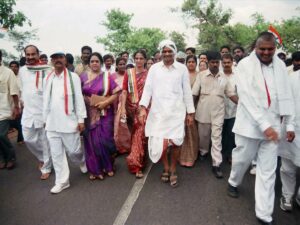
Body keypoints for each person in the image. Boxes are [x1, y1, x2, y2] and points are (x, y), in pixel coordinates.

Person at [227, 32, 294, 225]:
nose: (266, 52)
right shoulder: (244, 66)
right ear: (255, 47)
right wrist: (264, 125)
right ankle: (233, 181)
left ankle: (264, 215)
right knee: (242, 160)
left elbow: (287, 95)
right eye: (262, 49)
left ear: (275, 48)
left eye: (270, 49)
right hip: (249, 126)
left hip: (273, 127)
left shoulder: (280, 65)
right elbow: (246, 98)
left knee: (268, 171)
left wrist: (288, 124)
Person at [138, 40, 195, 187]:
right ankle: (166, 167)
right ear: (161, 53)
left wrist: (190, 113)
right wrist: (143, 107)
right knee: (160, 142)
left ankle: (174, 168)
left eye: (170, 51)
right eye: (164, 51)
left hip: (176, 113)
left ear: (175, 52)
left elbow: (187, 91)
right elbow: (148, 89)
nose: (167, 54)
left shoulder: (182, 69)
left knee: (176, 142)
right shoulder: (154, 69)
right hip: (158, 113)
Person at [44, 51, 87, 194]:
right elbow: (45, 101)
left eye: (60, 57)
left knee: (74, 151)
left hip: (69, 121)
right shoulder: (48, 77)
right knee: (56, 154)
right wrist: (45, 119)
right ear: (51, 61)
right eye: (54, 58)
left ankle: (81, 160)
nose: (57, 60)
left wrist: (81, 119)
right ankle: (62, 182)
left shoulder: (73, 77)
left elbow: (79, 99)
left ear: (65, 60)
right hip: (52, 123)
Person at [192, 51, 238, 178]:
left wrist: (242, 104)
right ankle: (203, 151)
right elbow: (194, 94)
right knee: (204, 136)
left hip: (218, 112)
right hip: (203, 112)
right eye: (212, 62)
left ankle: (216, 164)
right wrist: (190, 111)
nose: (215, 64)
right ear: (208, 62)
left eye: (217, 62)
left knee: (216, 138)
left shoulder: (224, 77)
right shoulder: (201, 76)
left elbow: (231, 94)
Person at [81, 52, 120, 180]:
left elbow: (116, 93)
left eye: (97, 61)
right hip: (88, 112)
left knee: (104, 140)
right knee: (91, 141)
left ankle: (108, 165)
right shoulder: (83, 77)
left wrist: (105, 103)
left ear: (101, 63)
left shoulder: (107, 77)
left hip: (104, 112)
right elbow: (78, 94)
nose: (94, 63)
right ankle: (95, 169)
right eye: (92, 61)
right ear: (89, 63)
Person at [19, 45, 52, 180]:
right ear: (25, 55)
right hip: (28, 112)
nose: (31, 57)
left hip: (43, 112)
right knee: (28, 138)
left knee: (45, 141)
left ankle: (47, 166)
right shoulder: (22, 70)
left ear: (38, 54)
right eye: (28, 55)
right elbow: (22, 89)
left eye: (33, 54)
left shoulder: (48, 70)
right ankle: (42, 157)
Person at [120, 50, 148, 178]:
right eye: (136, 58)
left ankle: (136, 164)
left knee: (139, 134)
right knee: (135, 134)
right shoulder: (128, 73)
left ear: (145, 60)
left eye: (141, 58)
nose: (138, 61)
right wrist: (123, 109)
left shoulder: (149, 74)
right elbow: (124, 92)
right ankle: (142, 157)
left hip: (143, 108)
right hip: (130, 108)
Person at [278, 68, 300, 212]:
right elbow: (285, 104)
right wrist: (289, 125)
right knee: (288, 166)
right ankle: (287, 196)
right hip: (293, 129)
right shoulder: (292, 78)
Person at [0, 50, 20, 169]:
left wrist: (16, 107)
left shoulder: (8, 73)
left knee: (1, 135)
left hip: (4, 110)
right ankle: (2, 158)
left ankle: (11, 156)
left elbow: (14, 92)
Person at [179, 55, 199, 167]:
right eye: (189, 62)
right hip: (182, 106)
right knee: (183, 131)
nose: (191, 63)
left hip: (195, 106)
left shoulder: (199, 75)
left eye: (193, 62)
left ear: (196, 63)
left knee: (192, 132)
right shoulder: (182, 74)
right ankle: (182, 156)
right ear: (186, 63)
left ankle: (192, 155)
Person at [221, 54, 237, 163]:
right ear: (221, 63)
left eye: (228, 62)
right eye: (224, 62)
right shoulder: (218, 75)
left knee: (231, 133)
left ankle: (230, 154)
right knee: (220, 134)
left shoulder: (238, 75)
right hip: (220, 109)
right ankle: (220, 155)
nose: (226, 64)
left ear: (232, 62)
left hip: (234, 109)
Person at [9, 61, 24, 144]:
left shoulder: (20, 78)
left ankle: (20, 139)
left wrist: (21, 103)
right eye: (11, 66)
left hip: (18, 104)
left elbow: (22, 91)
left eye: (15, 66)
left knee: (19, 122)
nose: (13, 68)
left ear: (18, 68)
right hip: (8, 104)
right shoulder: (7, 77)